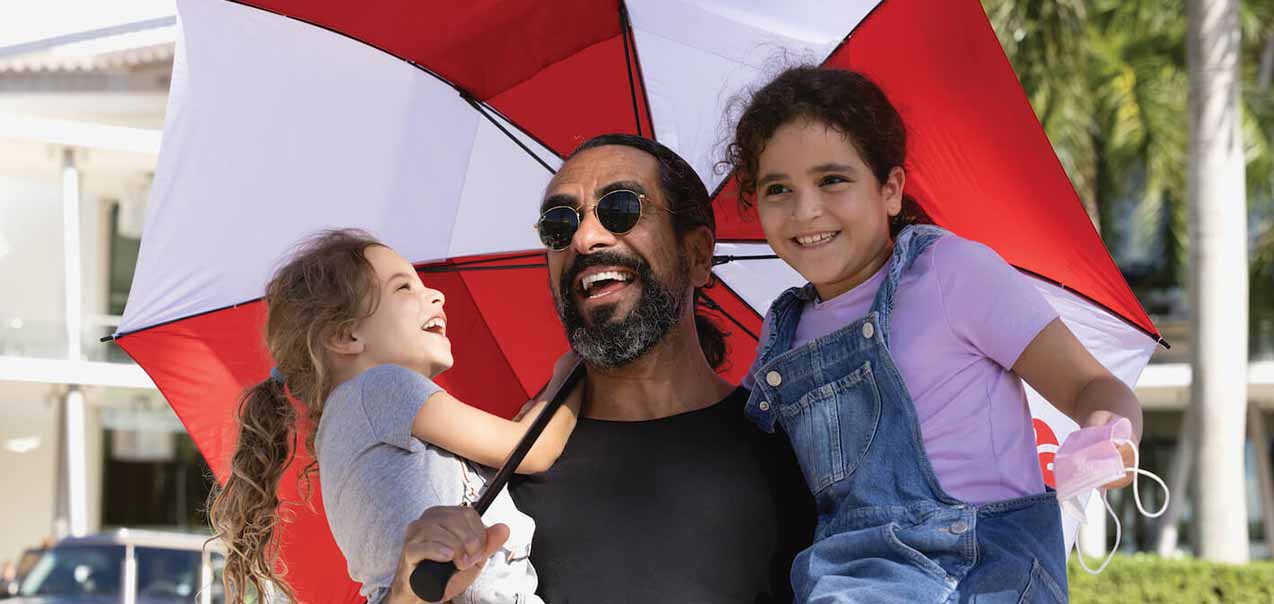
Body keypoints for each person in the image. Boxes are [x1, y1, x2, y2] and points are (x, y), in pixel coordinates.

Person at [720, 65, 1149, 603]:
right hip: (851, 575)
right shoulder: (783, 336)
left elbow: (1093, 386)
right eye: (777, 188)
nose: (806, 210)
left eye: (833, 180)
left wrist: (1110, 432)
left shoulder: (949, 272)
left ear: (890, 189)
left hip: (981, 570)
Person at [388, 135, 815, 604]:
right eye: (558, 223)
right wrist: (407, 598)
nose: (585, 238)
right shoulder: (493, 488)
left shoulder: (803, 456)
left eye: (620, 209)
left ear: (696, 255)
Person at [208, 229, 581, 604]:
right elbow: (533, 449)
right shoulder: (383, 388)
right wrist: (574, 370)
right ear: (345, 335)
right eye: (404, 289)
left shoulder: (355, 416)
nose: (437, 295)